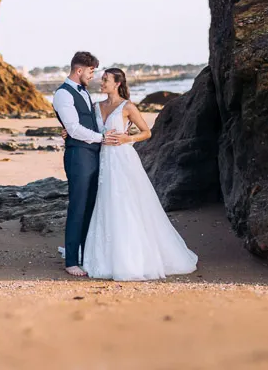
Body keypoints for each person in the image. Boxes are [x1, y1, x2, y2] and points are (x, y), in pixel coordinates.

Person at [81, 67, 199, 281]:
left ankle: (131, 259)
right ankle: (106, 256)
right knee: (106, 203)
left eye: (106, 79)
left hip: (123, 159)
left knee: (127, 203)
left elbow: (147, 132)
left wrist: (128, 139)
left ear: (117, 83)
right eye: (102, 78)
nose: (101, 82)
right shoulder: (95, 106)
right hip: (103, 159)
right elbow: (86, 129)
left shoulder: (127, 107)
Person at [51, 51, 103, 277]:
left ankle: (84, 254)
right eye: (91, 72)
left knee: (91, 206)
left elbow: (87, 122)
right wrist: (103, 138)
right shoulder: (63, 94)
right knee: (78, 207)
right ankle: (71, 260)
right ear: (79, 70)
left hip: (93, 154)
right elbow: (72, 129)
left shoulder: (85, 93)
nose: (93, 76)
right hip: (78, 156)